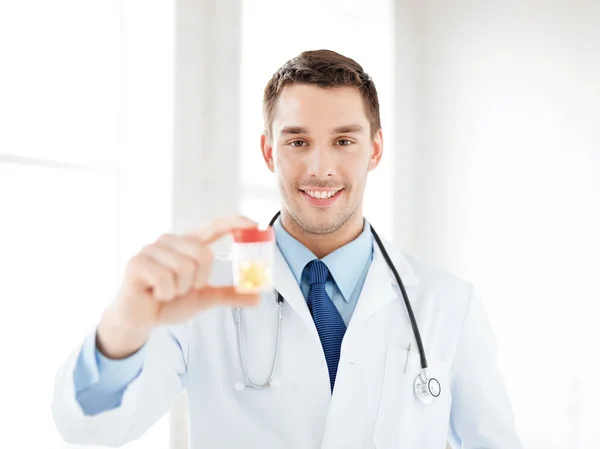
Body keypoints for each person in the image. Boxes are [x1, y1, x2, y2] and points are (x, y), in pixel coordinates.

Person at [51, 49, 523, 449]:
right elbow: (91, 427)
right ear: (268, 151)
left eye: (344, 140)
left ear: (375, 149)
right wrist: (123, 324)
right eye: (298, 141)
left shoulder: (447, 304)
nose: (320, 168)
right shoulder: (201, 296)